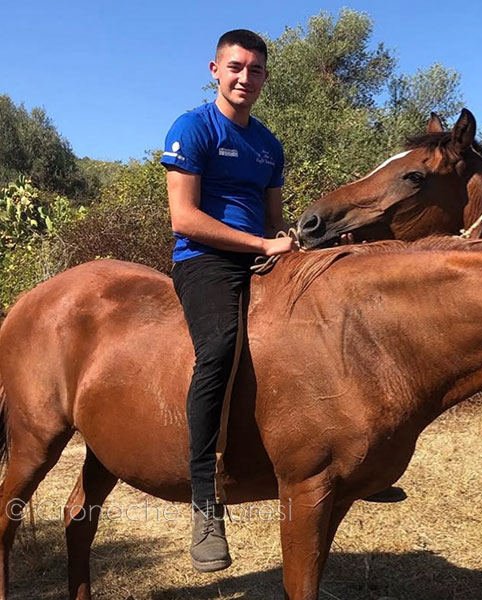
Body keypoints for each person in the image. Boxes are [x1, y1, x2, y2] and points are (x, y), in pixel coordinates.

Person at [162, 29, 293, 573]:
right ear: (215, 70)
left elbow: (274, 221)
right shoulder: (192, 127)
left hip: (262, 255)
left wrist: (289, 250)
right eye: (236, 67)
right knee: (218, 348)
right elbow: (183, 218)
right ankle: (204, 504)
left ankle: (349, 462)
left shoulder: (269, 144)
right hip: (204, 260)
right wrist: (262, 243)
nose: (245, 78)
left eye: (256, 70)